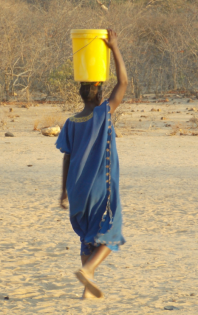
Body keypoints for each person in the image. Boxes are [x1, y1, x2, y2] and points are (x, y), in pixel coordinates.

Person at [55, 29, 128, 299]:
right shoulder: (103, 114)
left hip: (76, 191)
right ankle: (87, 272)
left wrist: (63, 192)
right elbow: (123, 82)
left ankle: (87, 291)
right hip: (100, 188)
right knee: (111, 231)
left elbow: (67, 157)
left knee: (88, 236)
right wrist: (114, 48)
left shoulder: (71, 122)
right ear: (98, 96)